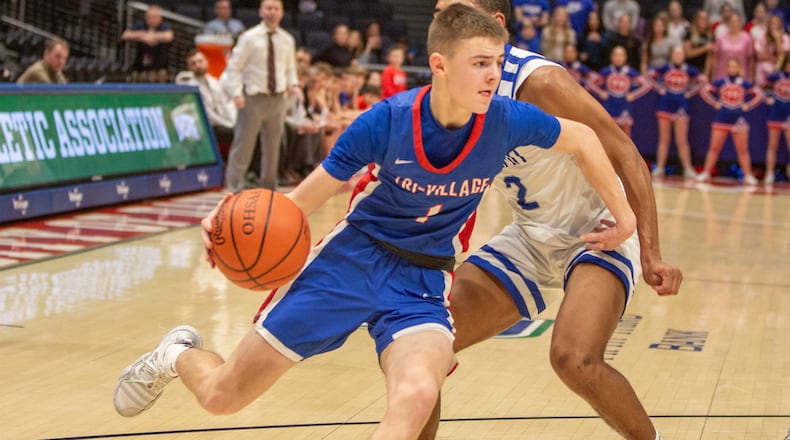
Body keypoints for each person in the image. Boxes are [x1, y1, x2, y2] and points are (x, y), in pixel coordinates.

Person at [112, 6, 637, 440]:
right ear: (439, 64)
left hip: (423, 281)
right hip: (349, 262)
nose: (493, 76)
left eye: (497, 63)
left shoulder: (504, 120)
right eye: (479, 64)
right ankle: (176, 353)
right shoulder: (384, 122)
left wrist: (625, 217)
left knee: (415, 396)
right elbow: (297, 203)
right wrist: (226, 221)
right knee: (223, 396)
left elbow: (588, 139)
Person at [421, 1, 684, 439]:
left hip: (600, 226)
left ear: (494, 26)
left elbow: (626, 153)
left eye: (452, 12)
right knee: (423, 343)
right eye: (436, 11)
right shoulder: (451, 86)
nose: (438, 22)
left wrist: (652, 252)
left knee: (574, 359)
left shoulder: (537, 82)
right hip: (529, 231)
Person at [221, 0, 300, 192]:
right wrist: (236, 93)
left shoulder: (287, 39)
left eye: (276, 8)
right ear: (260, 11)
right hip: (253, 98)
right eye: (268, 8)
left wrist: (294, 84)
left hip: (278, 98)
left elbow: (289, 68)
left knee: (273, 148)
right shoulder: (249, 37)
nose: (272, 12)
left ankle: (269, 188)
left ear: (281, 12)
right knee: (244, 145)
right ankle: (233, 187)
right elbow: (234, 67)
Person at [697, 57, 763, 184]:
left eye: (734, 66)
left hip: (738, 119)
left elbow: (759, 94)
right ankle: (706, 172)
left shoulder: (743, 83)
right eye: (730, 66)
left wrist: (747, 105)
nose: (732, 69)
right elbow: (705, 91)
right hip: (721, 118)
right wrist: (715, 103)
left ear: (739, 68)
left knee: (742, 150)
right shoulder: (721, 82)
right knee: (714, 148)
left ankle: (748, 175)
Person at [649, 45, 703, 178]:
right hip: (665, 105)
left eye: (680, 53)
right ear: (672, 55)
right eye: (676, 53)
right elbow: (650, 76)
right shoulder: (666, 68)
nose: (678, 56)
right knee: (664, 139)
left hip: (681, 106)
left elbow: (702, 81)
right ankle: (660, 167)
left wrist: (690, 92)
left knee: (682, 140)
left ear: (684, 56)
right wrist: (660, 88)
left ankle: (687, 168)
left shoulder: (689, 70)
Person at [179, 49, 237, 151]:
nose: (198, 65)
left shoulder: (214, 82)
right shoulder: (191, 87)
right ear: (189, 67)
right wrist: (228, 125)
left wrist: (233, 122)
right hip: (208, 127)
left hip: (223, 122)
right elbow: (208, 115)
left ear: (206, 62)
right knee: (239, 135)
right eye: (193, 63)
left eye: (200, 61)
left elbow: (224, 105)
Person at [589, 45, 652, 137]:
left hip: (624, 106)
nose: (618, 58)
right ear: (612, 57)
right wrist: (601, 92)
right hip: (609, 105)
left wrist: (633, 95)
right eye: (616, 55)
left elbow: (647, 85)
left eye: (621, 55)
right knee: (608, 135)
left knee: (626, 136)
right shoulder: (607, 71)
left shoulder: (630, 72)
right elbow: (591, 83)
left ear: (625, 57)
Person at [121, 4, 174, 83]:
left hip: (160, 66)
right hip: (141, 66)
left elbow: (169, 36)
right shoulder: (141, 25)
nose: (152, 20)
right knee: (136, 78)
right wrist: (143, 36)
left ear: (160, 18)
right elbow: (125, 35)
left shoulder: (164, 26)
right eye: (149, 17)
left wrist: (153, 36)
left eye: (154, 17)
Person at [763, 56, 790, 184]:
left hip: (788, 115)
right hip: (776, 114)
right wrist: (767, 97)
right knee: (772, 145)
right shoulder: (775, 76)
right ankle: (769, 173)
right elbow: (762, 86)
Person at [711, 13, 754, 82]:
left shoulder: (747, 38)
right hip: (722, 76)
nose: (734, 24)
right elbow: (715, 58)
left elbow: (750, 59)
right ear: (728, 23)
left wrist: (750, 77)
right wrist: (713, 76)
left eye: (736, 22)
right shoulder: (721, 38)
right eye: (732, 22)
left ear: (740, 23)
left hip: (741, 76)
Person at [683, 9, 713, 78]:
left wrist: (706, 74)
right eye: (702, 18)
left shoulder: (710, 35)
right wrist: (704, 48)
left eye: (706, 19)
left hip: (702, 70)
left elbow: (709, 57)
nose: (704, 21)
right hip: (689, 69)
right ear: (697, 19)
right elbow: (688, 53)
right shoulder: (689, 33)